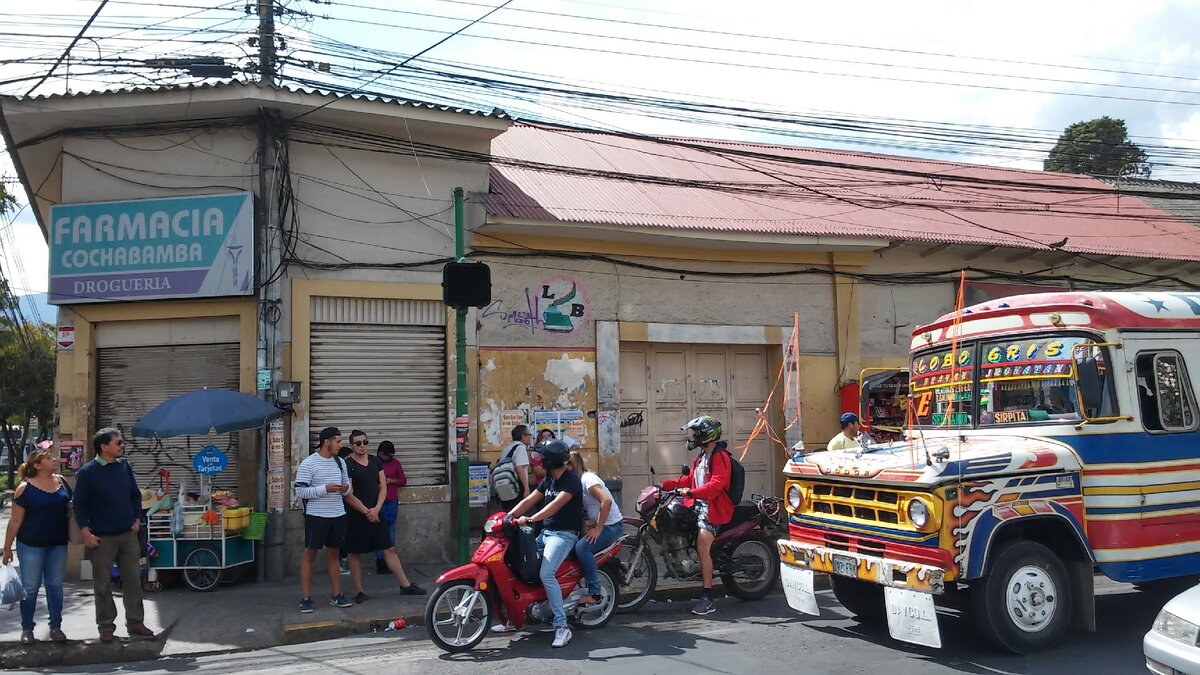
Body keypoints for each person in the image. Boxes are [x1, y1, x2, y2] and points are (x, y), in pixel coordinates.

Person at [72, 427, 155, 643]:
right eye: (118, 442)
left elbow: (135, 496)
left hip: (128, 535)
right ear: (104, 446)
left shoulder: (124, 466)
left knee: (133, 581)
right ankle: (106, 626)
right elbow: (79, 505)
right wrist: (86, 533)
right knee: (102, 585)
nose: (122, 445)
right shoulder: (87, 472)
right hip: (101, 538)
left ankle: (136, 623)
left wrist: (136, 520)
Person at [505, 439, 583, 648]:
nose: (538, 461)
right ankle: (516, 617)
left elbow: (554, 507)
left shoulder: (571, 481)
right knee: (518, 564)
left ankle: (561, 627)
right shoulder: (549, 479)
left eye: (542, 458)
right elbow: (529, 500)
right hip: (546, 533)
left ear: (551, 460)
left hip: (564, 535)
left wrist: (531, 519)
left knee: (546, 573)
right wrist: (508, 516)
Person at [341, 430, 424, 602]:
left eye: (365, 442)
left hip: (376, 513)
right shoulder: (347, 464)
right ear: (351, 446)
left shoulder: (375, 461)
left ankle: (405, 585)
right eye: (358, 443)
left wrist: (376, 509)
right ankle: (359, 591)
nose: (362, 446)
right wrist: (366, 511)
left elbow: (383, 487)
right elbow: (348, 494)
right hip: (357, 515)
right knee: (355, 553)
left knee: (389, 548)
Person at [664, 416, 732, 616]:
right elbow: (689, 480)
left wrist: (692, 493)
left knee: (702, 547)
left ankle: (708, 598)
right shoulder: (701, 457)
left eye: (697, 434)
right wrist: (664, 485)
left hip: (713, 507)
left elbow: (716, 485)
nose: (694, 437)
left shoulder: (720, 457)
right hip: (699, 503)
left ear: (707, 435)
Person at [2, 449, 70, 645]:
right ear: (37, 465)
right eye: (48, 458)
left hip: (57, 543)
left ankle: (56, 627)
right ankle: (27, 628)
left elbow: (69, 506)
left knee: (55, 586)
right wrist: (7, 548)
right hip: (31, 545)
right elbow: (15, 521)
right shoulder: (25, 488)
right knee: (30, 587)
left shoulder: (61, 482)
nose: (54, 459)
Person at [294, 426, 354, 613]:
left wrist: (345, 488)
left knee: (334, 555)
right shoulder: (309, 463)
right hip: (316, 516)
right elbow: (300, 491)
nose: (340, 445)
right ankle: (305, 598)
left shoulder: (340, 462)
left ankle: (336, 595)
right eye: (338, 441)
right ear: (326, 442)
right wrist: (325, 489)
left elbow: (348, 487)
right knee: (310, 555)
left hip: (338, 514)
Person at [569, 450, 624, 608]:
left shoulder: (588, 479)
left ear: (571, 466)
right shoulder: (578, 482)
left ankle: (595, 593)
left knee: (582, 548)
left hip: (611, 526)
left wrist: (598, 529)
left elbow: (606, 501)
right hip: (599, 524)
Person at [375, 441, 406, 575]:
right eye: (386, 455)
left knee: (390, 534)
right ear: (380, 453)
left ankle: (389, 562)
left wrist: (391, 481)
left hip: (391, 502)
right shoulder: (374, 463)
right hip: (377, 502)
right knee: (379, 533)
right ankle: (380, 561)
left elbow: (403, 481)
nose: (388, 458)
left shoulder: (395, 463)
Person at [497, 425, 533, 512]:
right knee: (516, 513)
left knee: (508, 512)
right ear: (523, 436)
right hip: (516, 486)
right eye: (529, 434)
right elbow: (519, 468)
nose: (531, 437)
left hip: (504, 485)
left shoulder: (508, 447)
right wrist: (526, 488)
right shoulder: (520, 447)